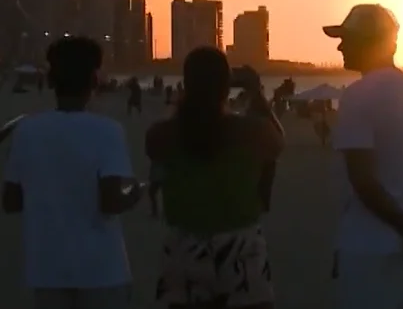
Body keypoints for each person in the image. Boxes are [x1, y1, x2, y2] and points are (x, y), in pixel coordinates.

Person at [323, 4, 403, 309]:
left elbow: (363, 180)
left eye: (347, 38)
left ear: (369, 42)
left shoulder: (357, 95)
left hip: (368, 246)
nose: (340, 46)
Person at [3, 37, 142, 308]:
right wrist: (136, 191)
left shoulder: (27, 132)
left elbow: (11, 201)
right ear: (94, 80)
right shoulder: (108, 131)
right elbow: (112, 200)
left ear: (51, 81)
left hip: (47, 270)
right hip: (102, 271)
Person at [145, 48, 284, 308]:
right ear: (227, 87)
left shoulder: (161, 134)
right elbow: (278, 142)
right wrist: (256, 92)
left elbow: (168, 140)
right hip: (240, 247)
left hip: (185, 246)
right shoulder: (251, 131)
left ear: (186, 84)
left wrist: (190, 101)